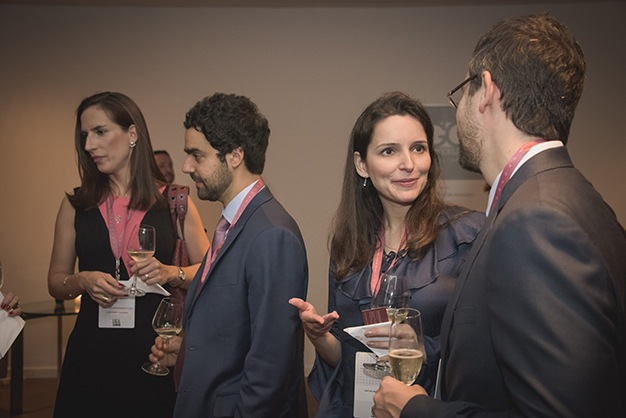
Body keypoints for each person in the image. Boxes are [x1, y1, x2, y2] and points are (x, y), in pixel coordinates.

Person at [373, 13, 626, 418]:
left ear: (486, 90)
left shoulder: (537, 220)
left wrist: (416, 410)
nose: (460, 109)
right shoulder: (574, 198)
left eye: (463, 93)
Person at [289, 91, 484, 418]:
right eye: (389, 151)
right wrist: (319, 337)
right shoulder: (348, 243)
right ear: (362, 165)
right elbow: (349, 359)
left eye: (418, 148)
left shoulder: (468, 235)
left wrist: (423, 347)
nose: (408, 164)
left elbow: (487, 347)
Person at [47, 91, 209, 418]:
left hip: (156, 354)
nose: (89, 145)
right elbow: (55, 282)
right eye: (85, 135)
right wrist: (81, 280)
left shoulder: (174, 202)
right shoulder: (75, 204)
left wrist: (171, 273)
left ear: (132, 134)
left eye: (100, 132)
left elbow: (212, 273)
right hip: (90, 354)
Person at [149, 92, 309, 417]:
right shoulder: (234, 224)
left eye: (196, 155)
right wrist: (187, 353)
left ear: (235, 155)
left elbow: (269, 366)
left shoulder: (272, 235)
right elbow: (233, 333)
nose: (186, 167)